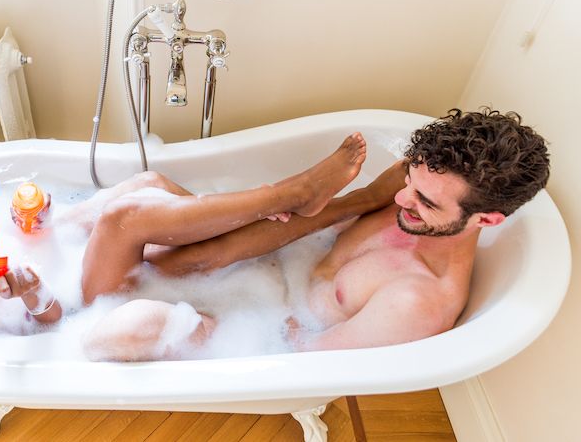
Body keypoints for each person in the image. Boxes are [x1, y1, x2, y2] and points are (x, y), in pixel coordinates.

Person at [0, 133, 396, 352]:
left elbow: (17, 238)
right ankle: (291, 194)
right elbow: (43, 331)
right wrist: (34, 293)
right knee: (125, 219)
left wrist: (28, 223)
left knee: (149, 186)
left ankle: (344, 206)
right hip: (83, 314)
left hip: (72, 271)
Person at [129, 108, 550, 353]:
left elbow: (309, 359)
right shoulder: (423, 183)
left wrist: (223, 316)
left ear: (488, 220)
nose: (403, 200)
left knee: (129, 322)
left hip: (248, 325)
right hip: (267, 267)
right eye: (410, 183)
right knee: (146, 189)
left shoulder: (417, 301)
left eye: (425, 203)